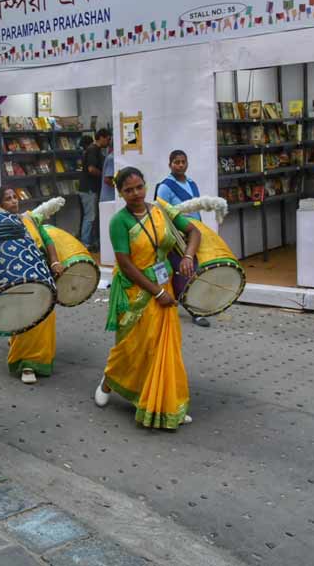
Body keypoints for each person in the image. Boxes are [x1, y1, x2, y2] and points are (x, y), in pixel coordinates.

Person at [94, 167, 201, 429]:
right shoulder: (119, 221)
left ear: (145, 185)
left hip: (165, 286)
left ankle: (165, 402)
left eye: (139, 187)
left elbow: (194, 232)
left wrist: (188, 256)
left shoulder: (161, 209)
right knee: (133, 347)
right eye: (128, 190)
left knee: (164, 348)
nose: (136, 194)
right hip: (135, 291)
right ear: (120, 193)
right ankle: (109, 379)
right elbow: (126, 264)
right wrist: (158, 292)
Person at [0, 186, 64, 384]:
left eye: (15, 197)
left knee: (46, 315)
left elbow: (47, 240)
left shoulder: (29, 219)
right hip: (15, 278)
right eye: (8, 199)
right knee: (24, 315)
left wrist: (55, 261)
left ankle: (41, 358)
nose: (14, 201)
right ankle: (26, 364)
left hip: (40, 272)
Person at [155, 150, 209, 327]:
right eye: (176, 162)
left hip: (192, 233)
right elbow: (161, 212)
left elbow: (196, 209)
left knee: (191, 270)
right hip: (176, 236)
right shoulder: (165, 186)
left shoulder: (192, 183)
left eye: (183, 162)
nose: (180, 165)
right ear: (170, 164)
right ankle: (194, 310)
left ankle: (190, 305)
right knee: (182, 272)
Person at [78, 128, 112, 251]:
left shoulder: (96, 150)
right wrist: (104, 175)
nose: (109, 142)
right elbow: (91, 169)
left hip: (91, 189)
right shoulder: (93, 150)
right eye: (108, 139)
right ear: (101, 137)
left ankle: (91, 241)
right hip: (89, 189)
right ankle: (85, 243)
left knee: (92, 216)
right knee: (90, 217)